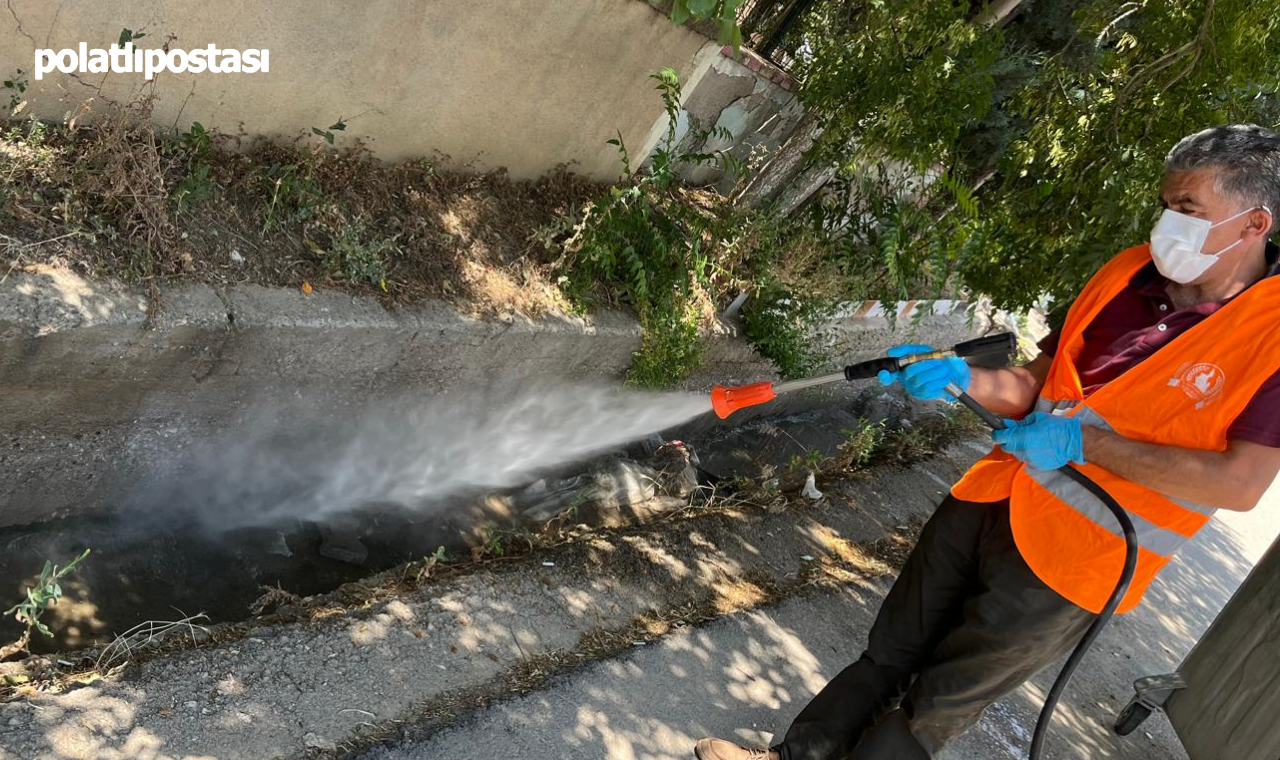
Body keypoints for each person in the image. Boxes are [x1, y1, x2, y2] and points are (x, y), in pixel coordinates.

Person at [694, 124, 1280, 760]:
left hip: (1078, 562)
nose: (1169, 222)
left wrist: (1082, 445)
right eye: (1166, 204)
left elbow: (1239, 484)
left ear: (1254, 224)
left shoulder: (1271, 333)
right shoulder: (1126, 271)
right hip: (991, 498)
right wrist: (963, 376)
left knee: (934, 707)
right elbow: (1037, 381)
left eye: (1188, 211)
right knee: (889, 652)